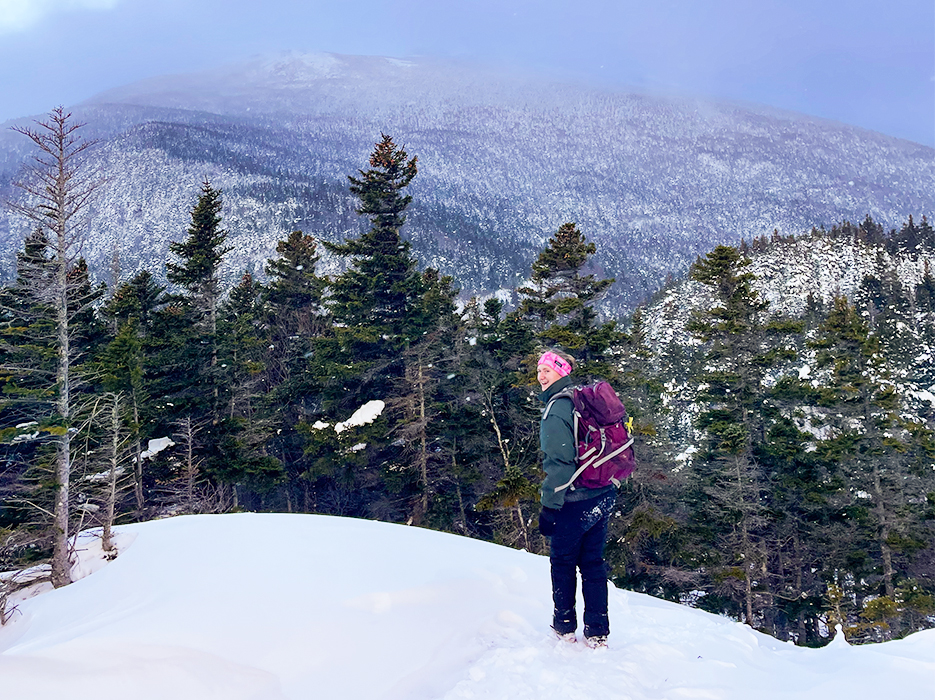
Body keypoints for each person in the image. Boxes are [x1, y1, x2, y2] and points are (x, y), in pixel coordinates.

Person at [536, 349, 616, 648]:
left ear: (562, 372)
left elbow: (560, 463)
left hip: (576, 499)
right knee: (593, 564)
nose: (541, 376)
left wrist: (549, 506)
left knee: (563, 561)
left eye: (547, 370)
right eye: (539, 370)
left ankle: (564, 625)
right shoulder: (582, 399)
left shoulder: (558, 408)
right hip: (603, 492)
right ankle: (597, 631)